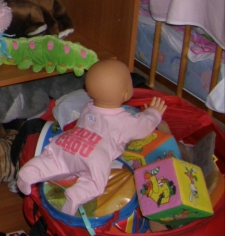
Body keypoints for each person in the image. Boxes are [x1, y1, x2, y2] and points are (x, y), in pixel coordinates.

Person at [17, 59, 167, 215]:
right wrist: (154, 113)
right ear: (126, 94)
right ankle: (76, 195)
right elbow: (144, 125)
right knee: (95, 182)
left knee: (53, 161)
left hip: (67, 142)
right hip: (93, 154)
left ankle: (31, 172)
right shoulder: (123, 121)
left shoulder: (88, 107)